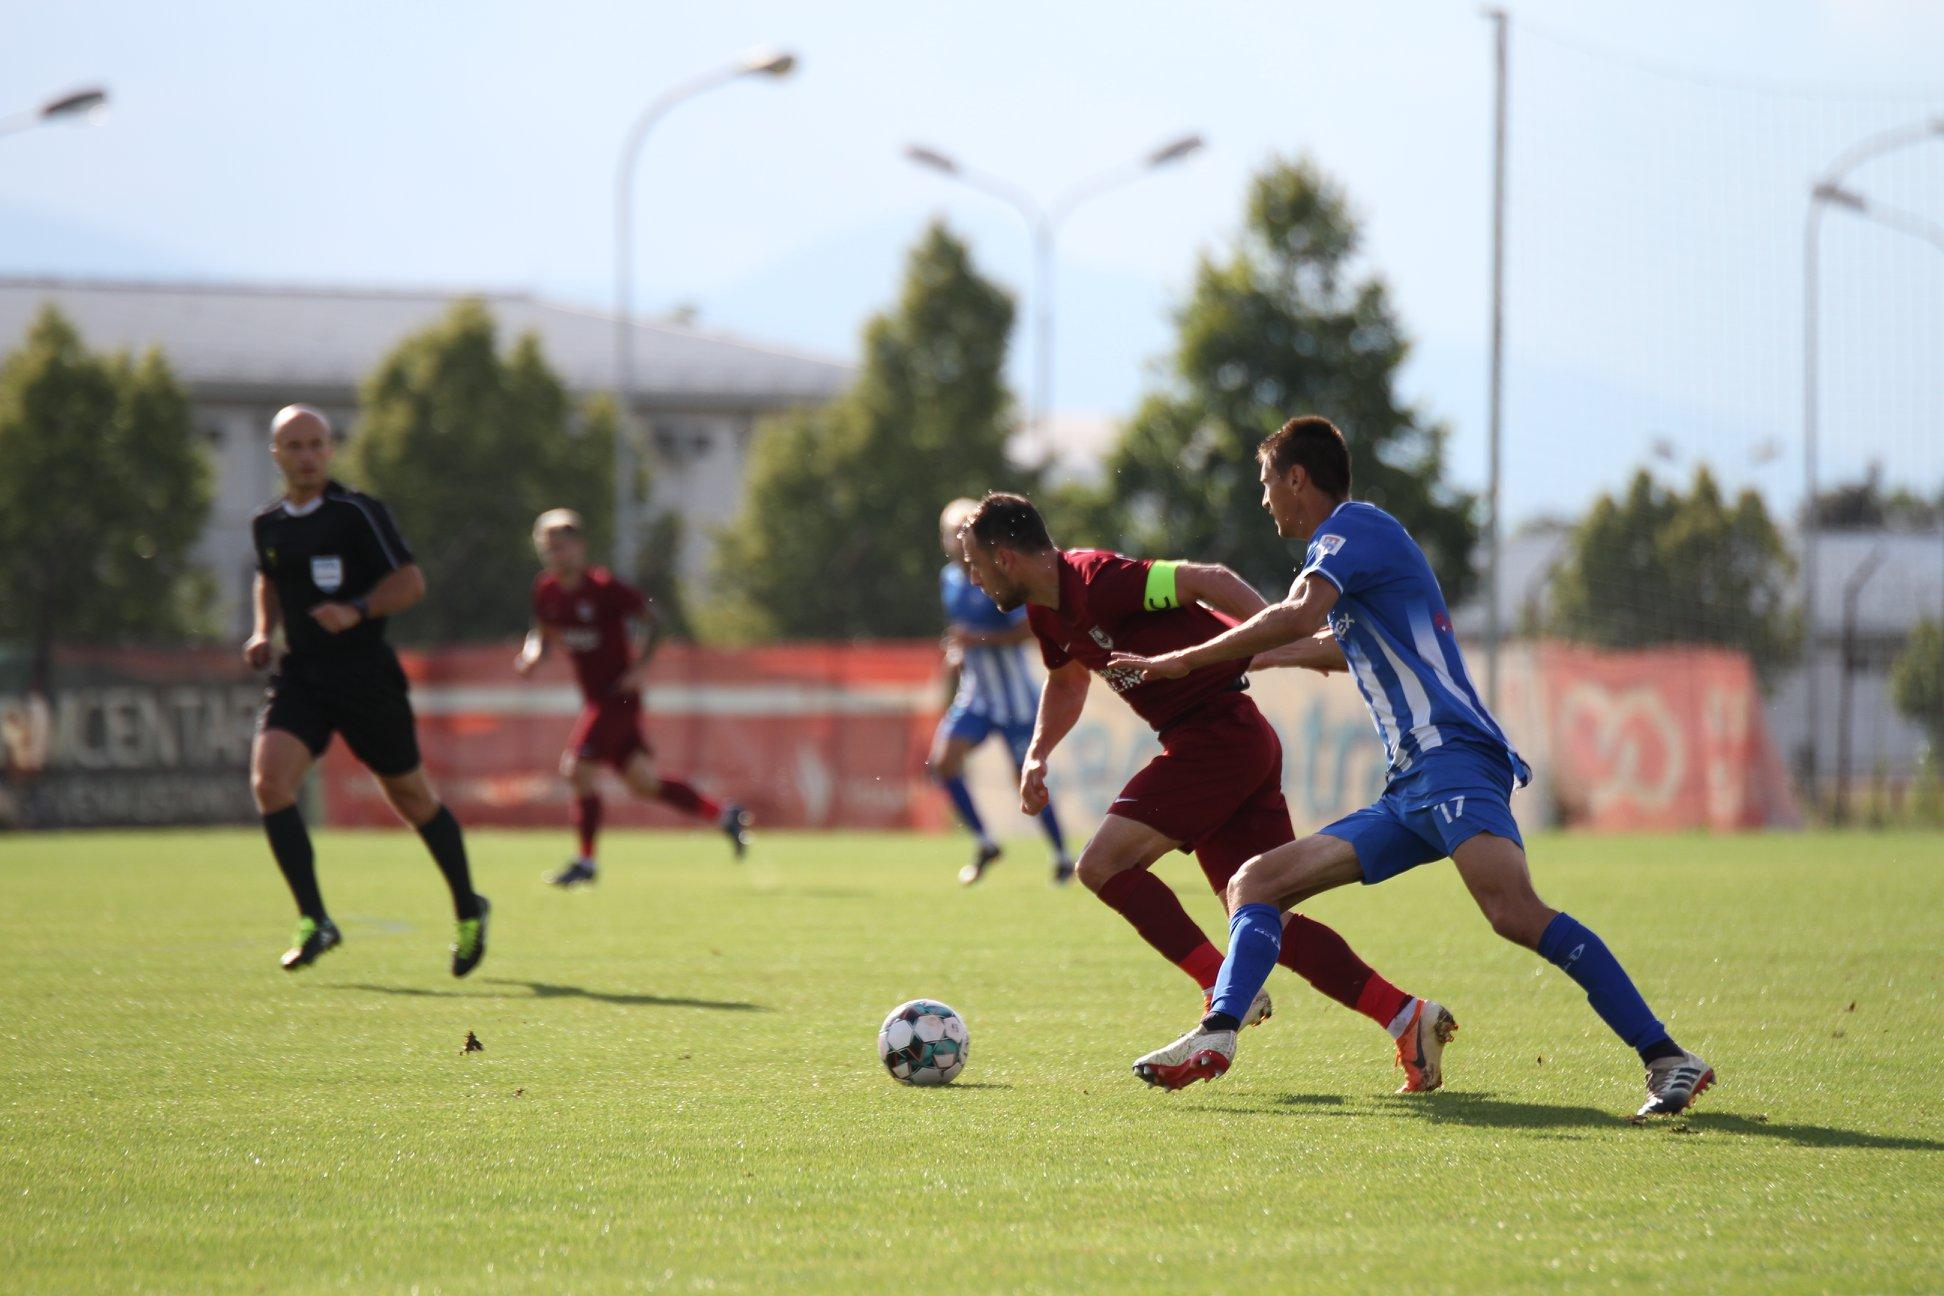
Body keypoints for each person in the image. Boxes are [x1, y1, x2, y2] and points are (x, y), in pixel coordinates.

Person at [1117, 416, 1713, 1119]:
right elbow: (1346, 645)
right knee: (1257, 881)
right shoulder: (1354, 552)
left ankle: (1667, 1056)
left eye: (1266, 482)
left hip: (1454, 760)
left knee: (1513, 913)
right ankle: (1218, 1034)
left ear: (1297, 479)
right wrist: (1269, 654)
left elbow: (1297, 613)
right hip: (1410, 787)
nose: (1264, 499)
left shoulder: (1352, 529)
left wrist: (1181, 660)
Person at [958, 493, 1456, 1092]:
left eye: (975, 563)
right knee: (1267, 917)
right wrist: (1038, 752)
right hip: (1228, 740)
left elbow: (1208, 579)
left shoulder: (1102, 580)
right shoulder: (1044, 612)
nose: (972, 577)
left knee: (1101, 865)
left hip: (1215, 738)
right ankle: (1408, 1017)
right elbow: (1066, 682)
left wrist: (1274, 632)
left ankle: (1222, 989)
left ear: (1006, 558)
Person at [244, 405, 488, 976]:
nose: (307, 456)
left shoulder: (357, 513)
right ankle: (315, 920)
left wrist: (357, 609)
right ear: (276, 454)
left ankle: (468, 907)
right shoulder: (269, 524)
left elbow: (410, 582)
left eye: (316, 444)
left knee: (413, 800)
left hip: (364, 677)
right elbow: (268, 577)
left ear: (330, 451)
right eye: (295, 446)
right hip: (302, 675)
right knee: (269, 782)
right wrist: (261, 631)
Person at [515, 508, 750, 886]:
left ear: (579, 547)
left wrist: (641, 667)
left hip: (618, 698)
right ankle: (724, 815)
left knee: (575, 769)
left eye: (560, 547)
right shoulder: (546, 590)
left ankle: (586, 862)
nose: (554, 556)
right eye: (547, 549)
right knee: (644, 783)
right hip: (597, 700)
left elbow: (655, 621)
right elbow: (541, 632)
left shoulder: (606, 589)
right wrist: (531, 654)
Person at [930, 498, 1073, 885]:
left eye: (963, 530)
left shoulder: (1001, 574)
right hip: (977, 696)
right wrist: (958, 654)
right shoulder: (949, 580)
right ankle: (985, 841)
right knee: (942, 763)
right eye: (951, 532)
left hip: (1014, 699)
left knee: (1025, 779)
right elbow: (962, 634)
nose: (957, 539)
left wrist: (974, 640)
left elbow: (1027, 629)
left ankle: (1061, 855)